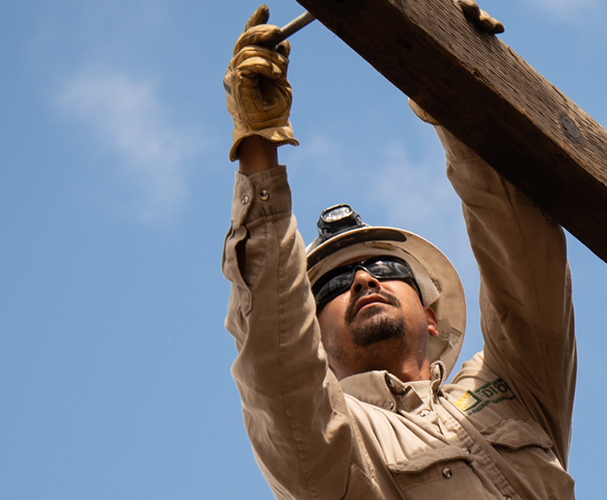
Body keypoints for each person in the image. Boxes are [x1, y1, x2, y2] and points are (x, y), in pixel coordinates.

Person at [219, 5, 577, 499]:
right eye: (335, 285)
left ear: (431, 316)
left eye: (385, 268)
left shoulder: (511, 387)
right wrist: (258, 147)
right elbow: (274, 358)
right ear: (315, 341)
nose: (364, 280)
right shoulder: (332, 447)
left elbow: (523, 253)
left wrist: (452, 84)